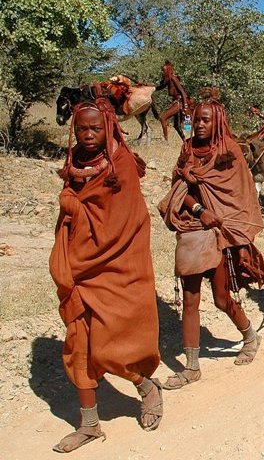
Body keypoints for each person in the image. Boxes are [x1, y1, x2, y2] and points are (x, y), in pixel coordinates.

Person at [49, 97, 162, 453]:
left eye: (94, 128)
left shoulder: (122, 164)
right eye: (80, 128)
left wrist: (75, 208)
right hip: (79, 267)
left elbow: (123, 222)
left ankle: (146, 386)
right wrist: (72, 206)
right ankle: (90, 425)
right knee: (78, 342)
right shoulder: (76, 161)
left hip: (114, 265)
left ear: (109, 127)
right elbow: (77, 203)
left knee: (112, 343)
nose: (86, 134)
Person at [158, 96, 264, 390]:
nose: (200, 124)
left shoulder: (229, 151)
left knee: (221, 299)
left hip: (220, 236)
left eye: (206, 119)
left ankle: (249, 336)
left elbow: (238, 196)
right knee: (191, 299)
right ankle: (191, 367)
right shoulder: (187, 149)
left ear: (217, 121)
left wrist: (226, 224)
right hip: (194, 230)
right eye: (197, 119)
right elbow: (180, 188)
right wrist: (200, 210)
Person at [155, 60, 191, 141]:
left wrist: (185, 106)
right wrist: (147, 86)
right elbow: (159, 87)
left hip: (180, 103)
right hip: (177, 102)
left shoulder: (174, 79)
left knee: (163, 118)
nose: (162, 72)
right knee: (177, 126)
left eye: (163, 70)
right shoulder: (168, 80)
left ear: (168, 70)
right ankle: (185, 141)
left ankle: (166, 141)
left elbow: (182, 92)